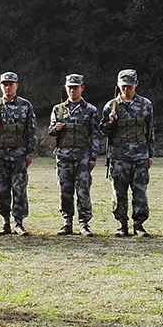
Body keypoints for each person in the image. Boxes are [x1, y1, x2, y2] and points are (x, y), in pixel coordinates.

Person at [0, 72, 37, 236]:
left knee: (19, 189)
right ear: (0, 86)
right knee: (2, 190)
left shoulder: (26, 106)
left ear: (16, 86)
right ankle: (5, 222)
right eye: (4, 84)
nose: (8, 87)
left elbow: (31, 130)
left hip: (19, 155)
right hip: (0, 156)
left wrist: (30, 153)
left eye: (11, 84)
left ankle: (18, 223)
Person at [100, 69, 155, 237]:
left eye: (130, 86)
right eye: (123, 86)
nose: (126, 89)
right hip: (118, 157)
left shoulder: (146, 105)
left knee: (140, 192)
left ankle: (139, 226)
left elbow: (150, 131)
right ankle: (121, 225)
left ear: (136, 84)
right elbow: (102, 130)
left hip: (139, 156)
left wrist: (150, 155)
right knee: (119, 193)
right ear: (118, 85)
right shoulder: (111, 106)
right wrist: (110, 122)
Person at [48, 74, 100, 237]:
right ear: (66, 88)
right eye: (69, 87)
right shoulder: (58, 109)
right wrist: (55, 129)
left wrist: (93, 157)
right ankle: (67, 223)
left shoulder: (90, 110)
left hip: (82, 157)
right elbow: (50, 132)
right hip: (63, 157)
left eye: (75, 87)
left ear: (82, 89)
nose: (72, 90)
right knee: (65, 190)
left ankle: (84, 224)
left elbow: (95, 135)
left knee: (83, 191)